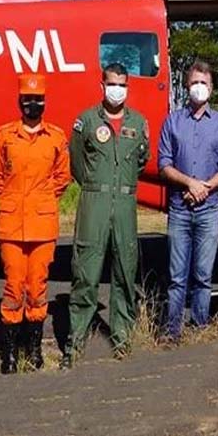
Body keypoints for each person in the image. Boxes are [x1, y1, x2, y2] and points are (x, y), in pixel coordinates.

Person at [61, 63, 151, 368]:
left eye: (122, 85)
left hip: (125, 202)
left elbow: (141, 160)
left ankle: (122, 337)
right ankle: (74, 344)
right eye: (112, 84)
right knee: (85, 273)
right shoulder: (85, 121)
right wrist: (95, 185)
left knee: (125, 271)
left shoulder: (138, 123)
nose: (117, 89)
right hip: (94, 201)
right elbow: (75, 160)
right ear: (102, 86)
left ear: (127, 87)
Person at [0, 73, 70, 373]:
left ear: (45, 102)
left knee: (37, 288)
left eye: (37, 100)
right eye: (27, 100)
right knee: (13, 287)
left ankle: (34, 351)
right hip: (11, 225)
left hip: (43, 226)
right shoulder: (5, 136)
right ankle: (9, 353)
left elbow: (62, 178)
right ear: (19, 102)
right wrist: (13, 198)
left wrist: (41, 200)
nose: (32, 104)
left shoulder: (56, 138)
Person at [157, 61, 218, 343]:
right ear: (186, 86)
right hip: (179, 208)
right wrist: (189, 184)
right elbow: (163, 163)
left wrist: (205, 188)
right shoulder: (172, 122)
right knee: (177, 277)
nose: (199, 88)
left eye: (204, 83)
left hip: (209, 209)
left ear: (211, 89)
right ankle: (173, 330)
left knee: (203, 275)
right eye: (194, 83)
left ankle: (200, 326)